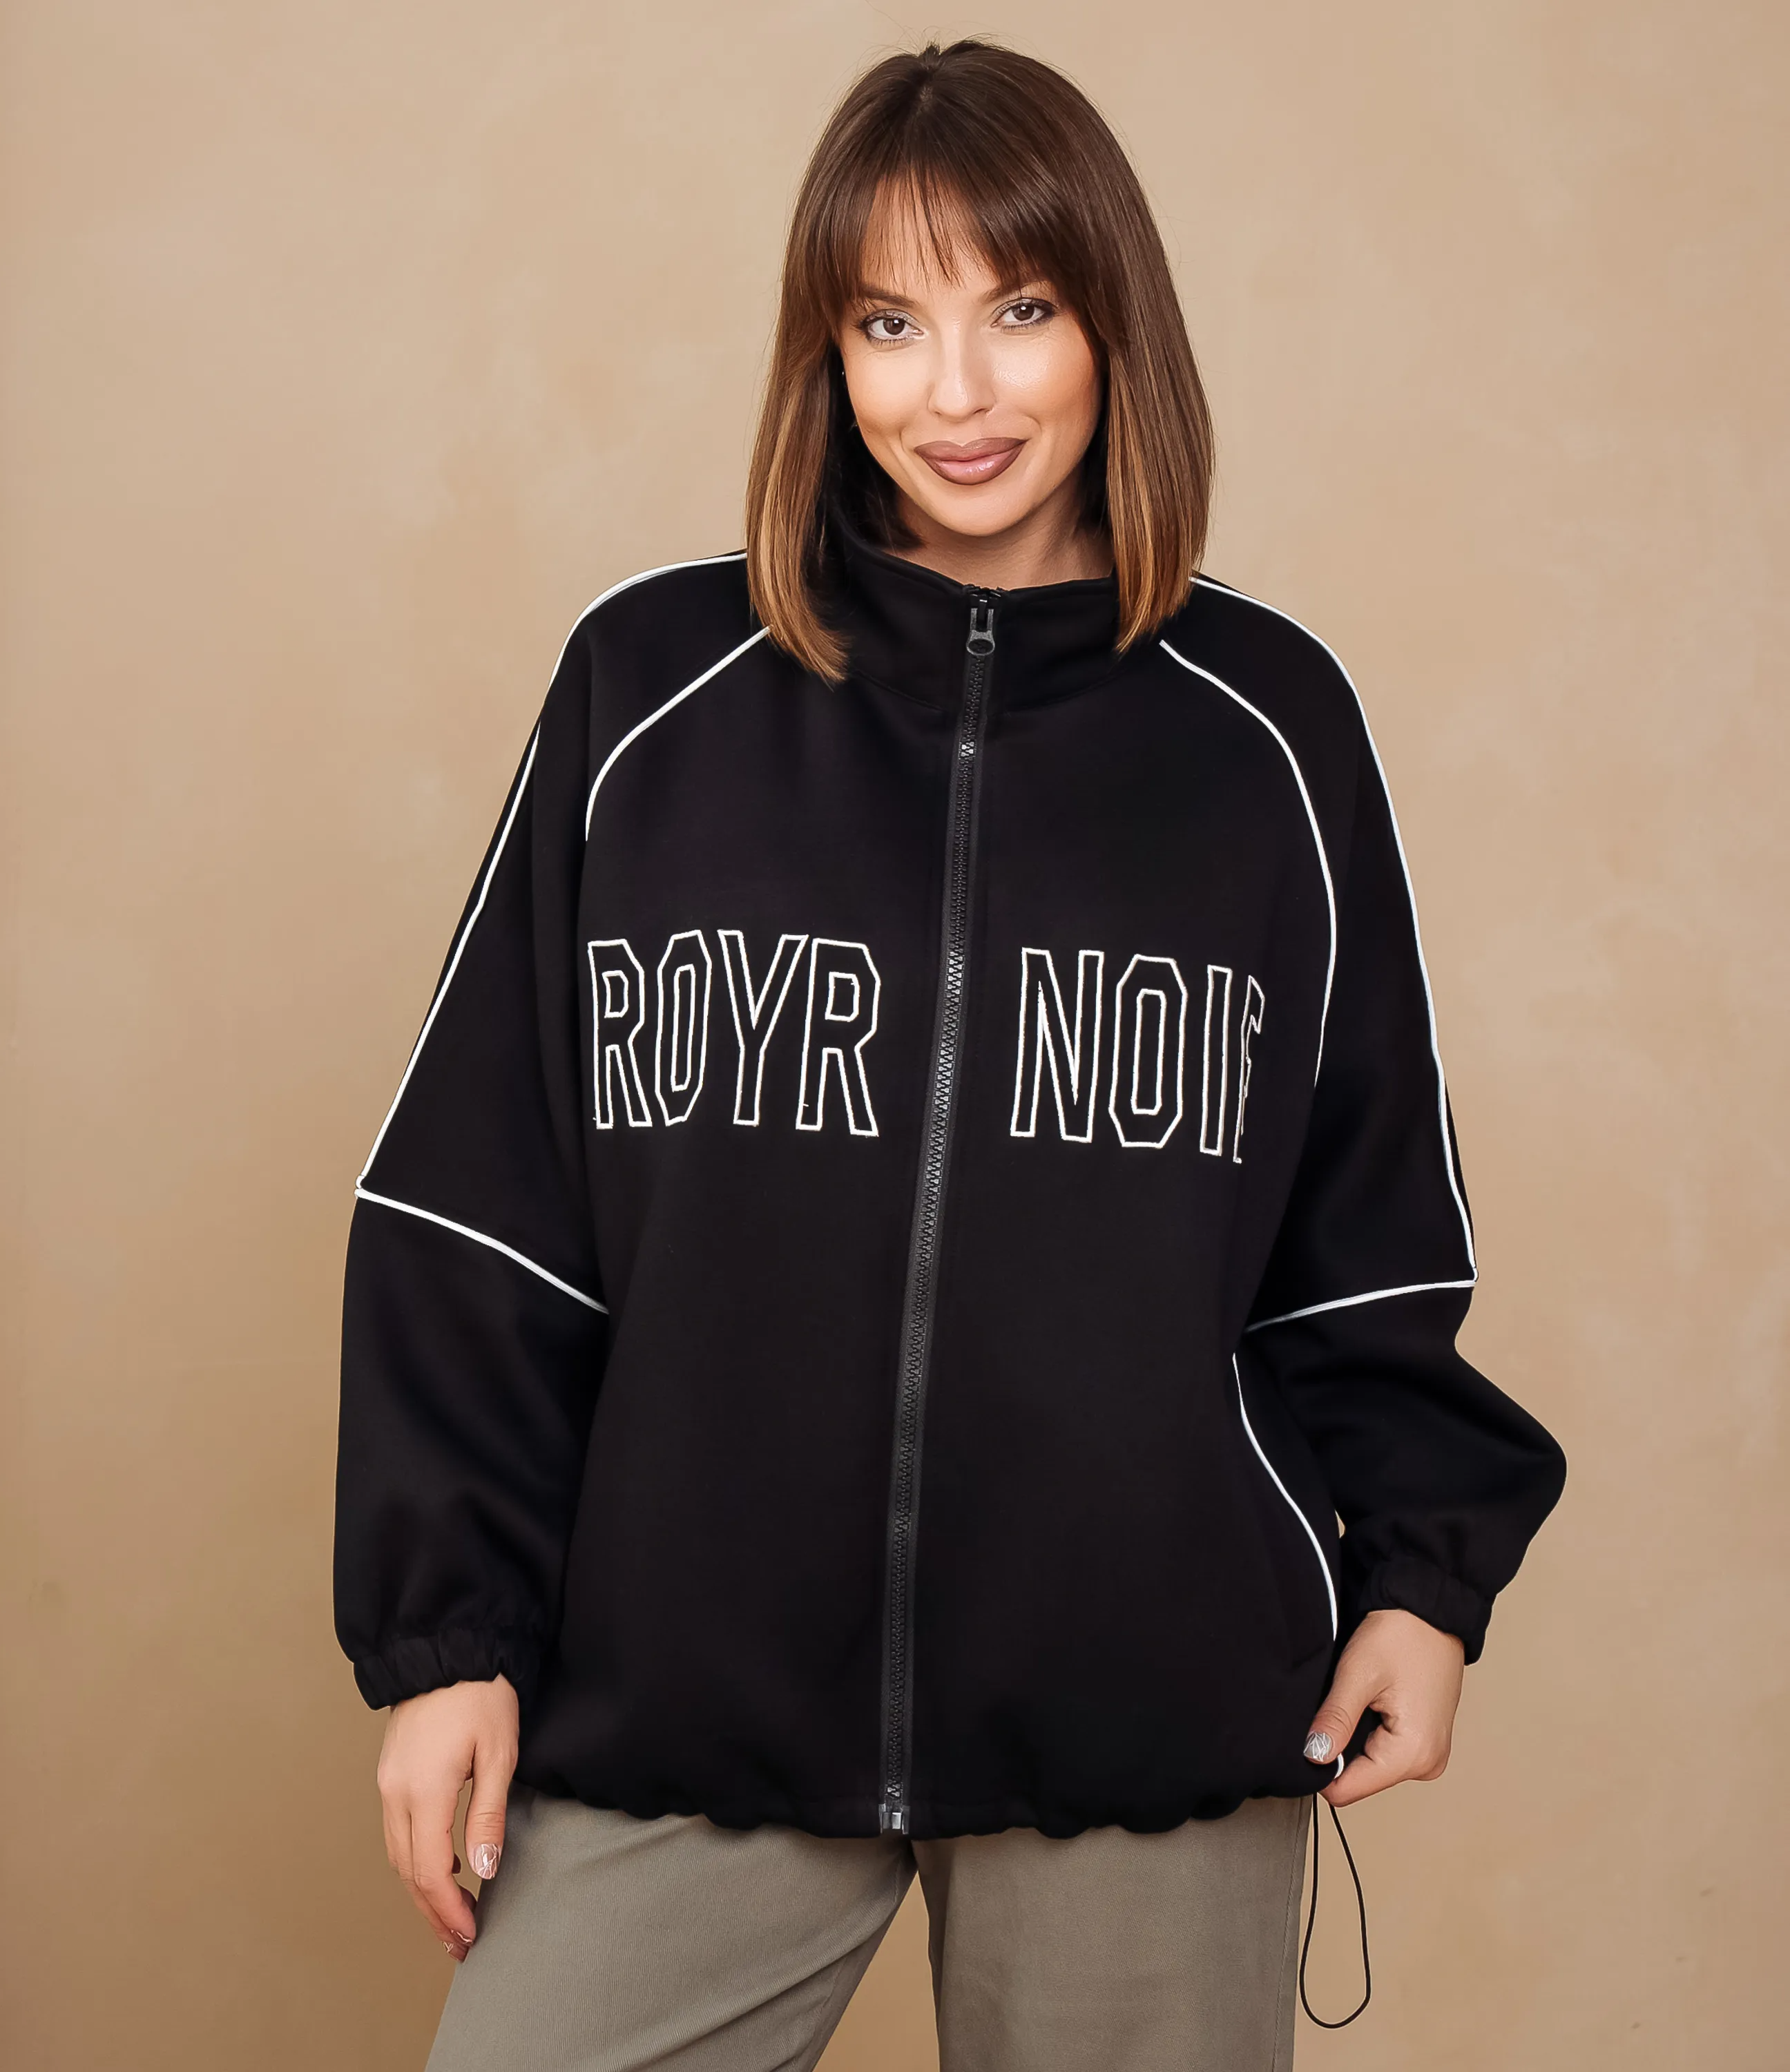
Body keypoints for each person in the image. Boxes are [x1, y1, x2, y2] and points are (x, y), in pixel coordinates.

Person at [334, 38, 1566, 2072]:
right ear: (825, 357)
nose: (958, 392)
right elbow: (484, 1203)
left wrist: (1425, 1584)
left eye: (1022, 309)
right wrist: (445, 1636)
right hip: (694, 1685)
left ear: (1115, 327)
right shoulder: (655, 695)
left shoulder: (1266, 736)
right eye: (890, 324)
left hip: (1146, 1707)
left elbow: (1364, 1227)